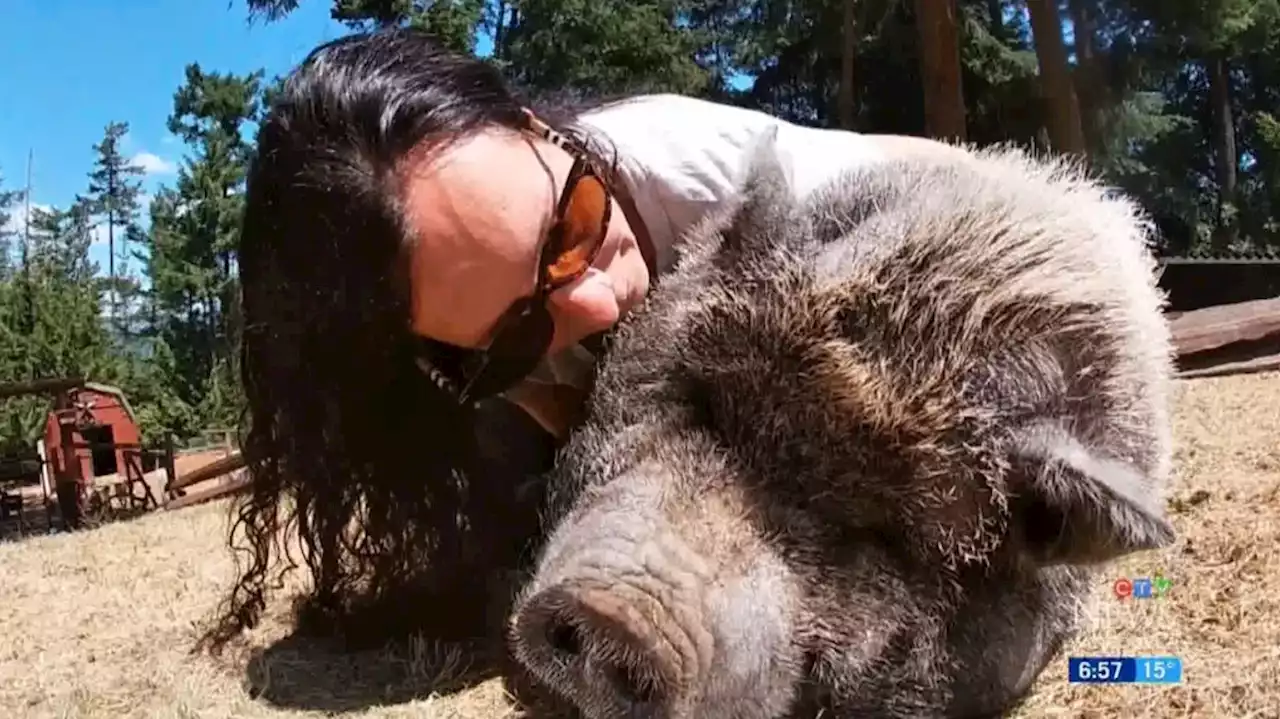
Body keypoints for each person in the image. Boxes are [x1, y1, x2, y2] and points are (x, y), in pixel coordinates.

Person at [204, 25, 964, 650]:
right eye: (513, 334)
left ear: (537, 128)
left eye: (568, 230)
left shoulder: (735, 181)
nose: (599, 306)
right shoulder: (462, 376)